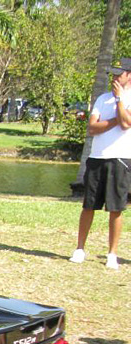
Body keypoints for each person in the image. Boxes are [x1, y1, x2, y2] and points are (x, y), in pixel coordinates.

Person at [72, 58, 131, 270]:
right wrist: (116, 119)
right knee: (89, 205)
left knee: (116, 208)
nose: (115, 77)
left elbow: (126, 125)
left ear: (129, 75)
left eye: (120, 74)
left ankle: (112, 254)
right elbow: (92, 128)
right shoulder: (101, 99)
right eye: (113, 74)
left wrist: (119, 101)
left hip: (121, 158)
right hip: (97, 157)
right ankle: (79, 248)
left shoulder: (126, 97)